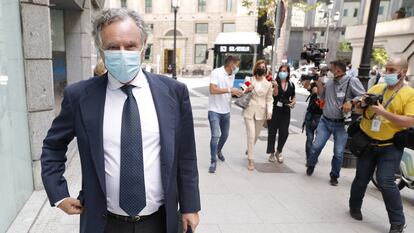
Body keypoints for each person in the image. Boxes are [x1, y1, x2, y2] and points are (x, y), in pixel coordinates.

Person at [41, 9, 200, 233]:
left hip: (160, 222)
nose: (122, 53)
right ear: (101, 50)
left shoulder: (173, 93)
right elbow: (52, 146)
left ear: (143, 46)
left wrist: (190, 206)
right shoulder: (79, 96)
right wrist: (58, 194)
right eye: (113, 47)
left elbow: (186, 155)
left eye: (130, 45)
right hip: (103, 223)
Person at [349, 57, 414, 233]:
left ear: (403, 71)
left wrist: (384, 113)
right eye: (386, 69)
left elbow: (409, 121)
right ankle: (354, 207)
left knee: (386, 182)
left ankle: (397, 222)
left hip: (390, 146)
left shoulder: (409, 94)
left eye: (392, 70)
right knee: (361, 178)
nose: (387, 73)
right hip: (368, 143)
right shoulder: (377, 88)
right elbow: (358, 111)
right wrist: (360, 105)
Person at [306, 60, 365, 186]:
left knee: (338, 153)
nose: (329, 72)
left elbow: (363, 96)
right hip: (325, 121)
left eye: (330, 70)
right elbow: (321, 96)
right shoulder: (330, 82)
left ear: (338, 71)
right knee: (316, 146)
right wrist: (318, 83)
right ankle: (311, 164)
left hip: (341, 125)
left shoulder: (351, 81)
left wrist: (352, 102)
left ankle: (334, 175)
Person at [207, 55, 243, 173]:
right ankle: (213, 161)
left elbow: (228, 92)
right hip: (214, 110)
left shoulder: (232, 75)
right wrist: (230, 90)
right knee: (215, 135)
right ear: (231, 64)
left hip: (226, 110)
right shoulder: (216, 72)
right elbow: (212, 90)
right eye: (236, 65)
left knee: (225, 134)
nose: (237, 67)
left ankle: (218, 150)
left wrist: (236, 93)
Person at [243, 60, 273, 171]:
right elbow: (242, 91)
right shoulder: (249, 80)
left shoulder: (268, 84)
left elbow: (270, 99)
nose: (262, 68)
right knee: (251, 135)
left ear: (266, 69)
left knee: (255, 136)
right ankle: (251, 160)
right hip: (249, 110)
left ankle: (249, 148)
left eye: (264, 67)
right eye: (260, 67)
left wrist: (270, 111)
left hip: (261, 112)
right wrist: (247, 90)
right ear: (256, 68)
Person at [267, 65, 296, 163]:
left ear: (288, 73)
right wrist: (275, 86)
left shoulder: (291, 84)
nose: (282, 72)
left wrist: (293, 102)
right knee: (272, 132)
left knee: (284, 132)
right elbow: (274, 95)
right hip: (274, 110)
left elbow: (293, 96)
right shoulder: (275, 82)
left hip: (285, 111)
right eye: (281, 71)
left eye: (284, 71)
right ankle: (271, 152)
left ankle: (279, 151)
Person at [302, 67, 328, 164]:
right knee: (310, 138)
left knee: (317, 141)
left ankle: (311, 158)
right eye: (323, 74)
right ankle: (310, 159)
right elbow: (305, 86)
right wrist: (310, 77)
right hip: (312, 115)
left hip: (321, 117)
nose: (324, 76)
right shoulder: (315, 84)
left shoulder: (329, 86)